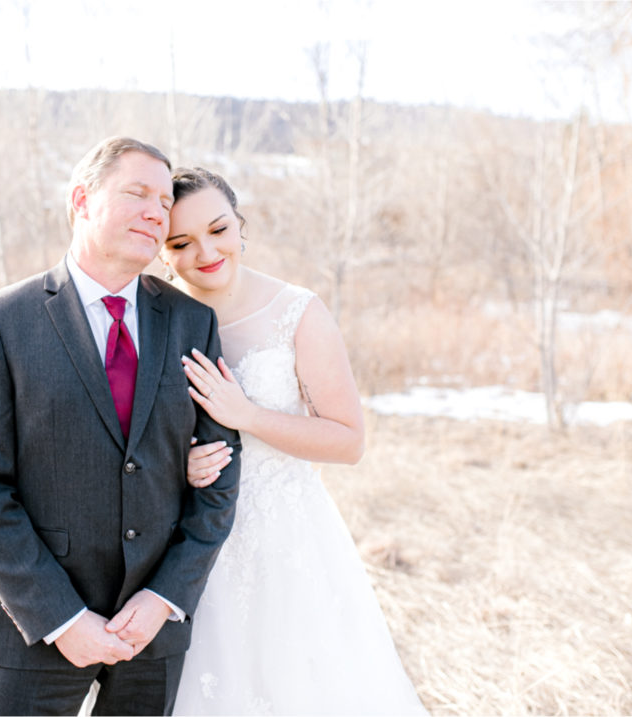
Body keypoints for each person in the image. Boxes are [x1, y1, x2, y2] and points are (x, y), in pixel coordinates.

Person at [0, 139, 241, 716]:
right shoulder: (1, 321)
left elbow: (220, 478)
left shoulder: (191, 322)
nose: (157, 210)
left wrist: (163, 598)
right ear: (82, 200)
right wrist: (61, 617)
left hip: (152, 634)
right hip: (35, 630)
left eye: (163, 199)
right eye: (137, 193)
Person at [159, 167, 427, 715]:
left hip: (286, 538)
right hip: (186, 544)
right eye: (181, 242)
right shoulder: (153, 315)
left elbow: (348, 440)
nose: (206, 252)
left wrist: (248, 416)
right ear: (162, 251)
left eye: (219, 229)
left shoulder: (296, 312)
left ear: (241, 225)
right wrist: (177, 462)